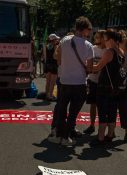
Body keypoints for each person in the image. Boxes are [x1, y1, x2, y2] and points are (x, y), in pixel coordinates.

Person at [49, 17, 94, 145]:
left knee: (62, 110)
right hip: (79, 83)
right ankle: (66, 137)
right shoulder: (88, 46)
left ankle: (57, 135)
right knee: (73, 113)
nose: (89, 33)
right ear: (84, 29)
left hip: (64, 82)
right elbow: (90, 68)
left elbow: (58, 59)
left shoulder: (64, 40)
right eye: (88, 30)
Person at [88, 29, 125, 145]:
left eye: (106, 39)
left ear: (112, 40)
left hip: (104, 86)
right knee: (112, 112)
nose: (104, 41)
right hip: (116, 87)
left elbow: (97, 67)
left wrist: (86, 65)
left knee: (103, 112)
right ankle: (110, 135)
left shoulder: (109, 52)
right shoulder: (121, 52)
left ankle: (100, 137)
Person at [83, 30, 105, 135]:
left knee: (102, 105)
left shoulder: (108, 51)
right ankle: (92, 125)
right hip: (92, 79)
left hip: (103, 82)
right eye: (95, 37)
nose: (95, 39)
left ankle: (102, 128)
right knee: (92, 104)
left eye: (97, 37)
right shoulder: (93, 48)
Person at [43, 34, 59, 101]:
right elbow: (55, 56)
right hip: (54, 65)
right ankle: (50, 95)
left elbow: (45, 57)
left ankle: (46, 94)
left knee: (48, 81)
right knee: (52, 82)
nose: (57, 40)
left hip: (47, 65)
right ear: (53, 40)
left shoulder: (45, 46)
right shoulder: (56, 47)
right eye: (56, 39)